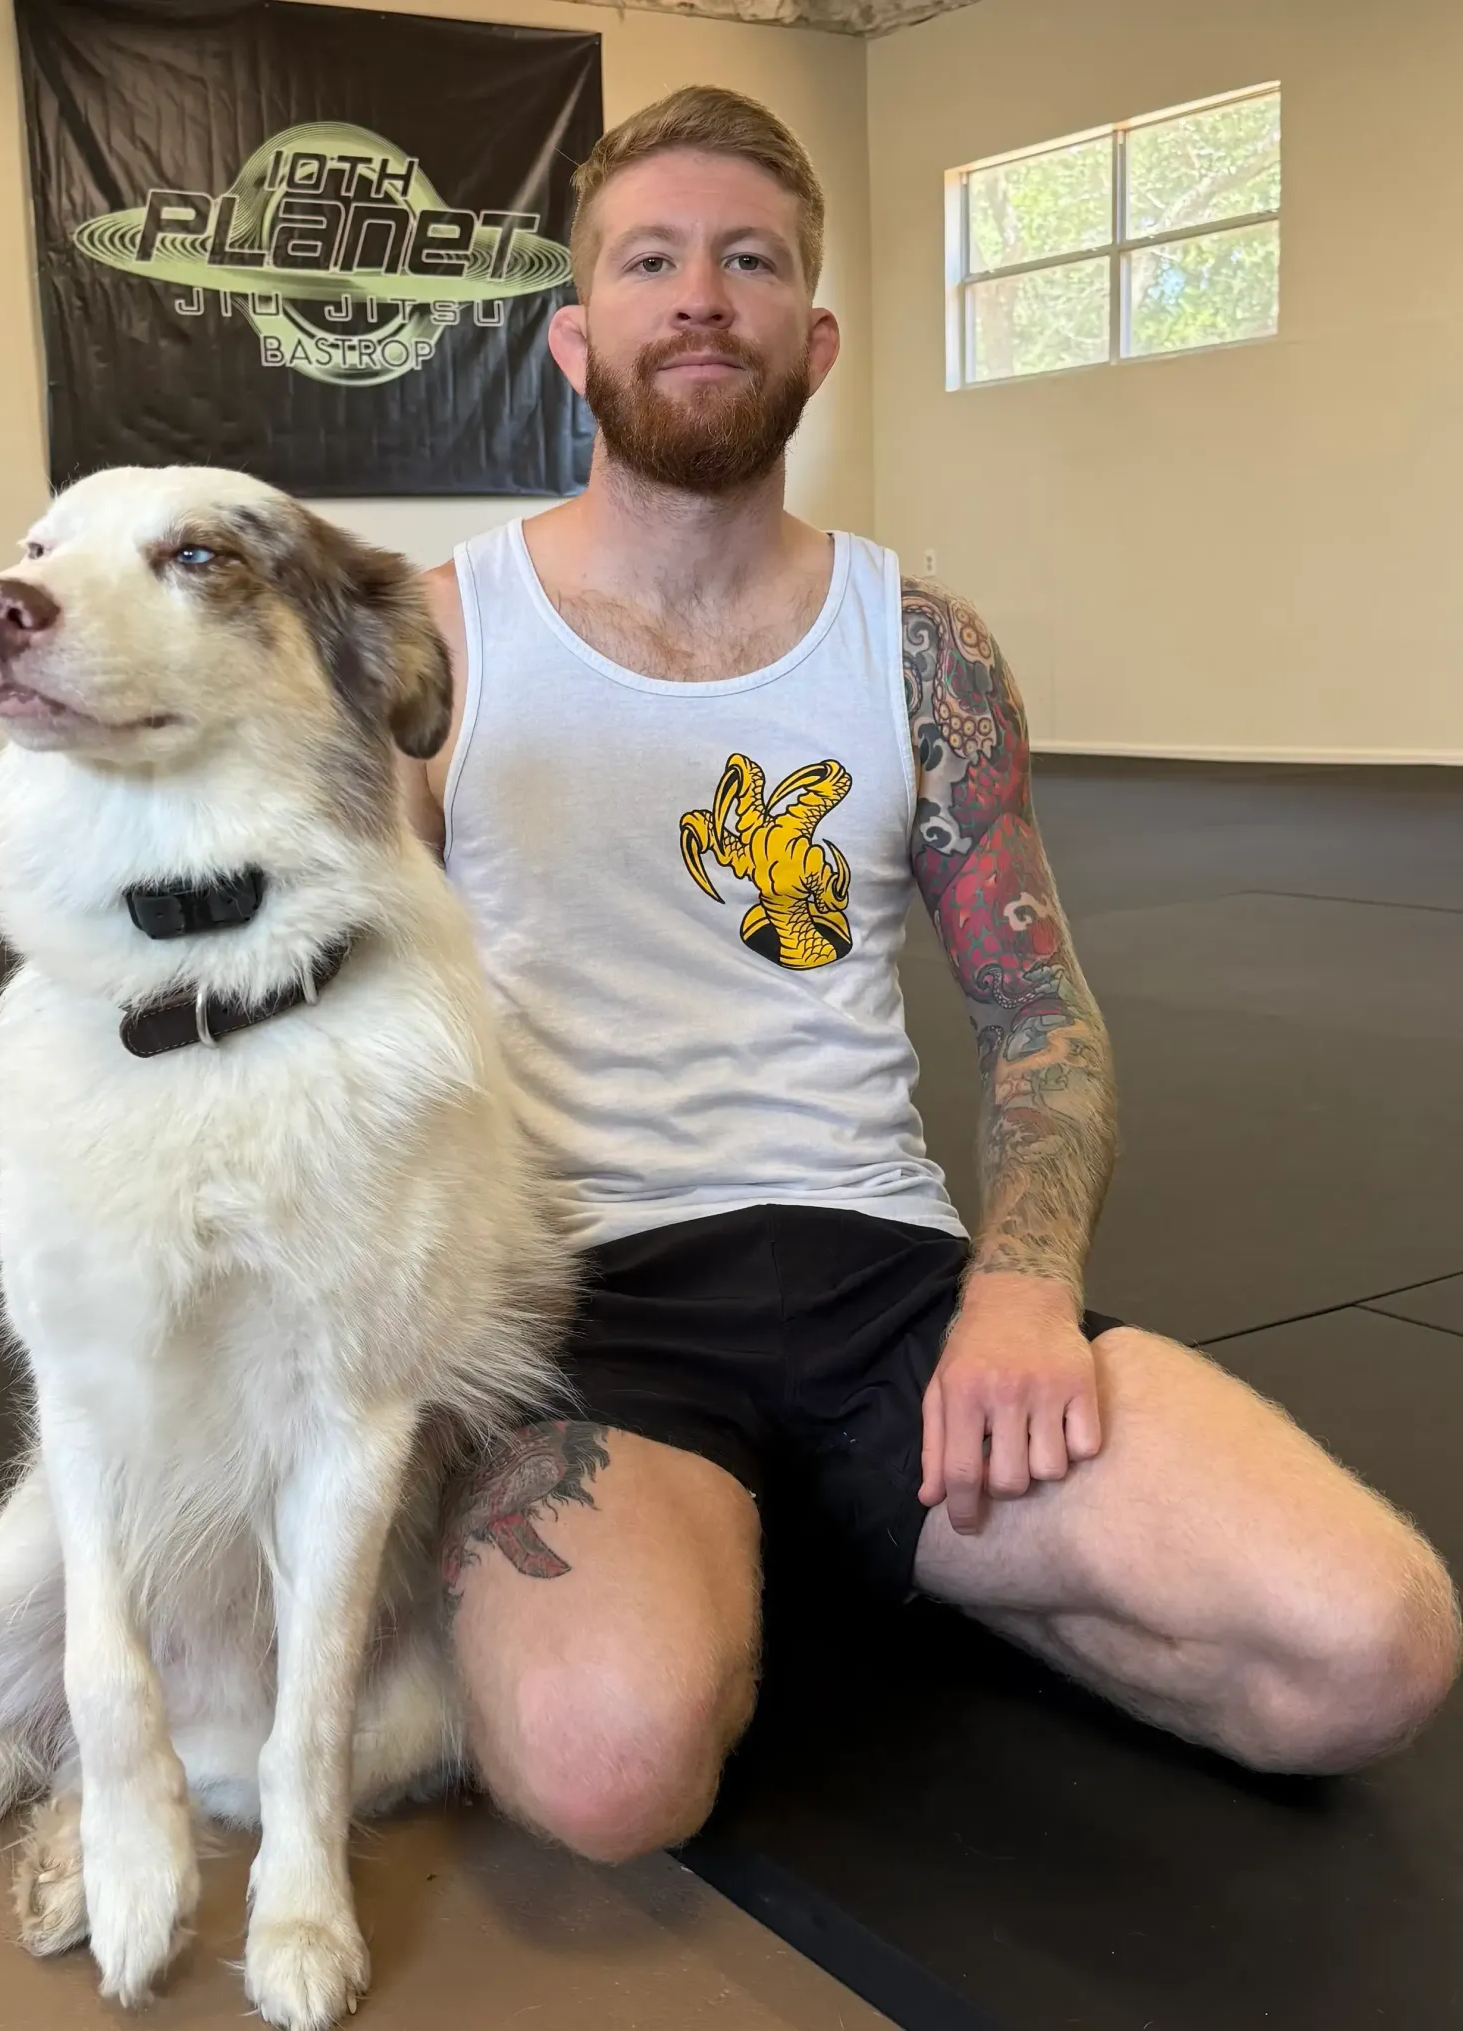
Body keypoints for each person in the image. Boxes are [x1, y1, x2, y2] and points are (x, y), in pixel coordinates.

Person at [401, 86, 1460, 1866]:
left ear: (811, 338)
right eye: (652, 259)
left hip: (887, 1285)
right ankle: (725, 1543)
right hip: (582, 1309)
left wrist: (1025, 1290)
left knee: (1367, 1655)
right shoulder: (438, 642)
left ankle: (820, 1520)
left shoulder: (922, 650)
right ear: (575, 337)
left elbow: (1038, 1017)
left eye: (749, 261)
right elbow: (340, 1023)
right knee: (605, 1771)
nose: (701, 296)